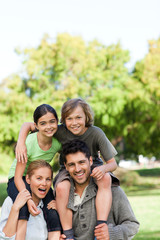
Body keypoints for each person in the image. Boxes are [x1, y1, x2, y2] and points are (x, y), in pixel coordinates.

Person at [15, 98, 119, 240]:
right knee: (63, 187)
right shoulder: (59, 130)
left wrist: (104, 168)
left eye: (78, 118)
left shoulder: (96, 133)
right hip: (67, 167)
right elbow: (28, 125)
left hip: (93, 165)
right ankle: (69, 235)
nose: (74, 123)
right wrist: (21, 142)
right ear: (63, 120)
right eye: (69, 119)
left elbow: (113, 164)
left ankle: (100, 227)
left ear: (86, 117)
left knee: (105, 178)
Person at [59, 140, 139, 240]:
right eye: (71, 164)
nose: (77, 169)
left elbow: (132, 225)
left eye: (81, 162)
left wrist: (112, 233)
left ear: (91, 161)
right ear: (65, 166)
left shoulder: (112, 190)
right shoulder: (61, 194)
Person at [7, 104, 62, 240]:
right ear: (36, 125)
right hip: (18, 178)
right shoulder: (29, 143)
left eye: (52, 122)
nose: (48, 126)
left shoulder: (57, 143)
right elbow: (18, 177)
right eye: (43, 123)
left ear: (57, 121)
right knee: (24, 207)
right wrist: (29, 198)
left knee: (53, 210)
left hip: (39, 179)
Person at [0, 160, 61, 240]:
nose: (44, 183)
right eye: (39, 178)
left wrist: (60, 211)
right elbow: (4, 238)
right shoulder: (10, 202)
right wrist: (15, 208)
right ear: (28, 179)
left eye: (48, 179)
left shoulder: (49, 207)